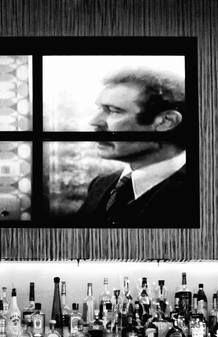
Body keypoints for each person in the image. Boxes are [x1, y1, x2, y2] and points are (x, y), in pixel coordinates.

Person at [77, 68, 194, 227]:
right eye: (100, 109)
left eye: (114, 111)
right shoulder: (101, 184)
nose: (94, 121)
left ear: (166, 121)